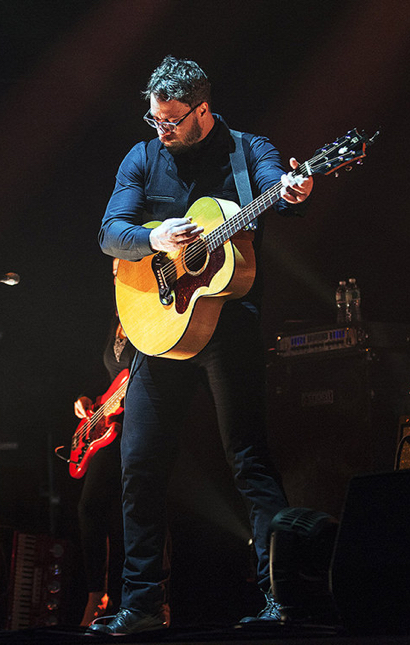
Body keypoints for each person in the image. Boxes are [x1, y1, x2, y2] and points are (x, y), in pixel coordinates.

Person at [90, 55, 313, 635]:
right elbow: (110, 233)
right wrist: (153, 237)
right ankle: (139, 606)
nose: (161, 129)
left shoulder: (248, 149)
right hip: (160, 325)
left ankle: (280, 597)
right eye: (155, 118)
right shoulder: (142, 157)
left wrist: (292, 188)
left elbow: (271, 188)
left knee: (250, 459)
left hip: (229, 321)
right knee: (138, 464)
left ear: (202, 111)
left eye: (171, 119)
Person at [73, 261, 135, 626]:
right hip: (110, 423)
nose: (115, 273)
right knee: (90, 507)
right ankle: (99, 592)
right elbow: (106, 374)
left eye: (122, 266)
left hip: (139, 421)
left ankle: (150, 599)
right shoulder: (115, 317)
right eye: (112, 268)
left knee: (138, 508)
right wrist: (86, 401)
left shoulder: (148, 315)